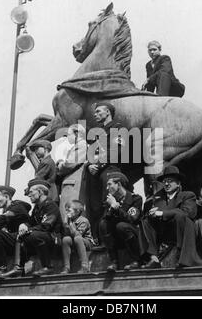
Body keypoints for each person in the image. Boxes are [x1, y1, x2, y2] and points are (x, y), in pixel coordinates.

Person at [139, 166, 202, 269]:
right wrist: (152, 213)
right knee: (145, 220)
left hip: (181, 230)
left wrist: (162, 213)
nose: (166, 184)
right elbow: (156, 211)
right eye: (164, 181)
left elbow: (187, 213)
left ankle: (181, 256)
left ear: (178, 183)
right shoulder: (158, 198)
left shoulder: (188, 195)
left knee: (180, 216)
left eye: (170, 181)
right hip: (164, 231)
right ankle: (153, 257)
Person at [86, 101, 127, 242]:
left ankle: (107, 241)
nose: (95, 114)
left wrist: (97, 163)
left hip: (109, 170)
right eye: (95, 112)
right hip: (94, 172)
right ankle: (96, 238)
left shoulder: (118, 128)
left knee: (106, 202)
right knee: (94, 206)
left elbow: (117, 150)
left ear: (108, 112)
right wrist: (89, 165)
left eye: (98, 111)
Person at [9, 179, 62, 277]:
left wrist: (29, 229)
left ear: (40, 192)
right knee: (17, 235)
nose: (29, 195)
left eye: (31, 192)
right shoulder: (37, 208)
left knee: (33, 235)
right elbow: (31, 222)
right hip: (42, 237)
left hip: (53, 239)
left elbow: (47, 225)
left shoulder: (50, 205)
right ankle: (18, 268)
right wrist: (24, 225)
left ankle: (47, 267)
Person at [99, 172, 143, 271]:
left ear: (118, 184)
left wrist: (117, 208)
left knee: (121, 226)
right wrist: (112, 207)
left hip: (134, 236)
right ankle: (114, 262)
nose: (107, 188)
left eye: (109, 184)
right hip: (118, 239)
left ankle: (136, 260)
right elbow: (105, 221)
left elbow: (132, 219)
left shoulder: (135, 198)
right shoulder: (110, 201)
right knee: (103, 224)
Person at [61, 200, 94, 274]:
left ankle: (84, 265)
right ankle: (66, 267)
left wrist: (70, 224)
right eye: (66, 211)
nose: (67, 213)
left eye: (69, 210)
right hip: (75, 241)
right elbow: (67, 234)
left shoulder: (83, 221)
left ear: (77, 211)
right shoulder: (69, 220)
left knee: (77, 238)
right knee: (66, 239)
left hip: (86, 242)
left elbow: (77, 235)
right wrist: (66, 225)